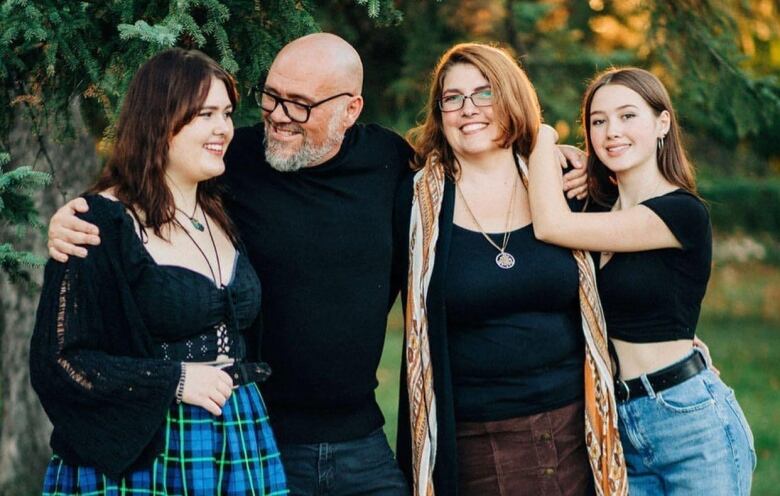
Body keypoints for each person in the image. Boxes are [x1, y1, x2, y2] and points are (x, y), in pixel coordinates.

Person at [45, 33, 588, 496]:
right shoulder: (228, 160)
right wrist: (72, 214)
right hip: (260, 433)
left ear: (350, 109)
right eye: (271, 98)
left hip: (361, 438)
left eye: (300, 104)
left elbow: (473, 168)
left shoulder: (391, 164)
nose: (279, 116)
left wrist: (552, 157)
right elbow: (153, 172)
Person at [30, 49, 287, 494]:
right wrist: (176, 379)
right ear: (159, 121)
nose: (223, 128)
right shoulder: (99, 223)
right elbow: (59, 361)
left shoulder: (224, 212)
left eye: (226, 113)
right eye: (205, 114)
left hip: (241, 433)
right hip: (148, 452)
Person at [394, 43, 627, 496]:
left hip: (577, 431)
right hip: (479, 441)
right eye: (452, 97)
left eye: (484, 94)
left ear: (511, 100)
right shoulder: (413, 203)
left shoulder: (566, 187)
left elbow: (631, 279)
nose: (468, 109)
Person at [527, 67, 756, 495]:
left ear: (662, 124)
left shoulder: (683, 213)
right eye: (598, 121)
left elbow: (548, 225)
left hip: (690, 421)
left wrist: (542, 137)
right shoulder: (594, 211)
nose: (612, 131)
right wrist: (568, 158)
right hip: (618, 422)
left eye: (628, 116)